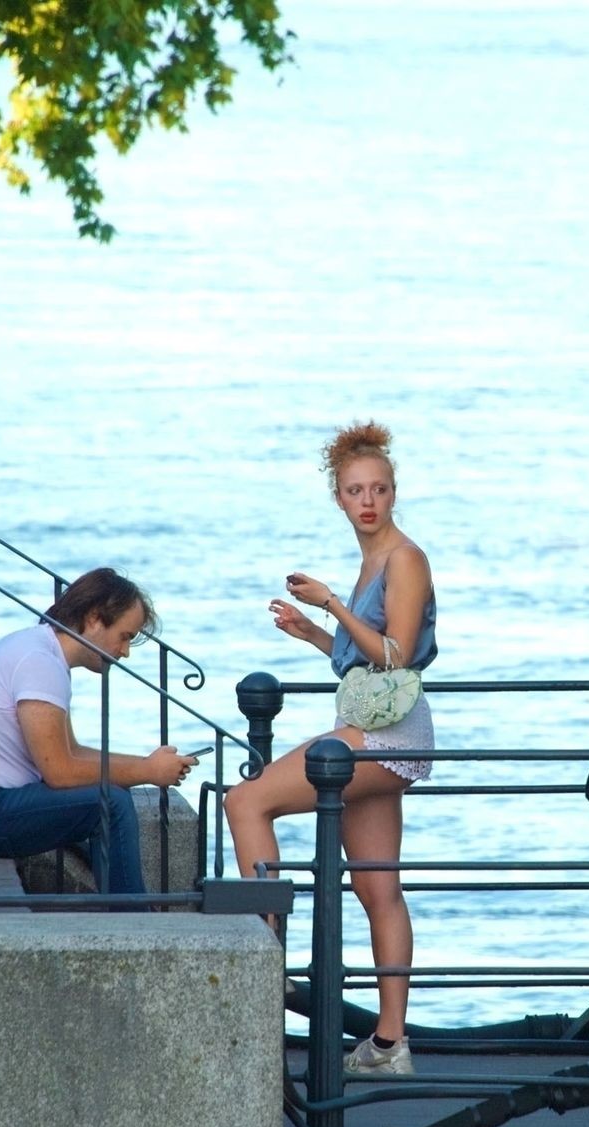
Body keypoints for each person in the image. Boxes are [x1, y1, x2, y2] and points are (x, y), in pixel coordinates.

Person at [225, 422, 437, 1076]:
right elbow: (363, 664)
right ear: (339, 498)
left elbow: (396, 654)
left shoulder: (404, 559)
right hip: (378, 728)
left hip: (384, 735)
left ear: (394, 492)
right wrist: (314, 633)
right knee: (378, 889)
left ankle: (266, 966)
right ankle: (389, 1045)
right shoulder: (373, 561)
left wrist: (333, 606)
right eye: (355, 491)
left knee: (245, 802)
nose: (367, 501)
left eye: (379, 489)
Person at [0, 567, 197, 900]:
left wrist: (146, 764)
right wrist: (147, 772)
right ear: (94, 619)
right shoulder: (40, 662)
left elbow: (71, 753)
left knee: (109, 792)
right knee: (111, 803)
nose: (125, 651)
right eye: (125, 636)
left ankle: (125, 907)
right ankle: (133, 919)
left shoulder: (42, 651)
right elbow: (59, 772)